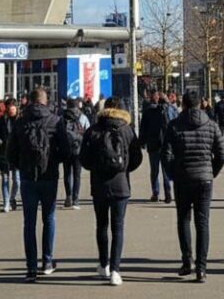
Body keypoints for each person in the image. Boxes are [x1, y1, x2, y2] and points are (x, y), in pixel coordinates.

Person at [162, 90, 224, 283]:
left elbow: (166, 155)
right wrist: (211, 172)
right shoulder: (211, 125)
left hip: (183, 177)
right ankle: (202, 268)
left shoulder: (174, 126)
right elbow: (222, 154)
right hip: (204, 179)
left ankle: (186, 260)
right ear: (200, 104)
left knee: (183, 219)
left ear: (183, 105)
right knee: (202, 222)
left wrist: (173, 174)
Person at [8, 86, 69, 282]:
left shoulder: (20, 122)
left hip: (27, 178)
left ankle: (31, 268)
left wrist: (22, 166)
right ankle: (48, 262)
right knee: (49, 219)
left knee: (29, 223)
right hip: (49, 176)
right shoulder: (55, 121)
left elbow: (11, 152)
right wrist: (54, 162)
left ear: (29, 101)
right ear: (45, 101)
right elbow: (65, 149)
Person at [80, 96, 143, 285]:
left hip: (99, 184)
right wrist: (123, 170)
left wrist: (97, 168)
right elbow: (137, 157)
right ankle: (116, 270)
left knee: (101, 225)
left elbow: (84, 159)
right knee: (118, 226)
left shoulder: (93, 130)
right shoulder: (127, 130)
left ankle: (103, 264)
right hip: (121, 184)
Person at [138, 90, 173, 203]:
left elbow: (143, 129)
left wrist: (142, 143)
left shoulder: (148, 112)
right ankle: (168, 194)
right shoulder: (169, 111)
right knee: (166, 170)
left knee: (154, 171)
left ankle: (155, 193)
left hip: (153, 145)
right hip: (166, 145)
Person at [62, 97, 89, 209]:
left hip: (66, 149)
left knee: (67, 174)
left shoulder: (62, 117)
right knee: (77, 175)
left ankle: (68, 196)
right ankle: (76, 200)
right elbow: (88, 132)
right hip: (79, 149)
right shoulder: (82, 117)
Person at [0, 98, 21, 212]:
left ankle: (12, 198)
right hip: (3, 153)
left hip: (16, 154)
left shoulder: (21, 121)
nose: (11, 110)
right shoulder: (1, 121)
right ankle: (6, 203)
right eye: (9, 108)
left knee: (17, 180)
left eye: (13, 108)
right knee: (5, 179)